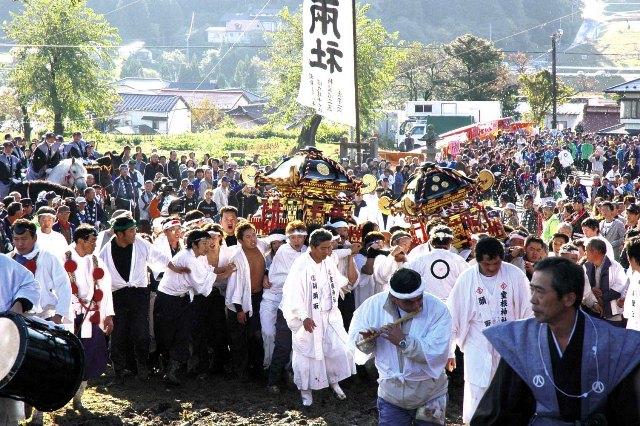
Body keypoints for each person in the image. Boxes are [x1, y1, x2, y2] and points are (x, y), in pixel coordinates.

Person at [472, 257, 640, 425]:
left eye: (540, 291)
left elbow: (628, 412)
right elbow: (499, 413)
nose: (533, 300)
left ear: (568, 298)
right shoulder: (520, 340)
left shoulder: (613, 343)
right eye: (532, 290)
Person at [446, 237, 533, 423]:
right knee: (478, 386)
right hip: (477, 340)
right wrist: (449, 350)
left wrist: (528, 345)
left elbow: (528, 311)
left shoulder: (515, 275)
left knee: (509, 388)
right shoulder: (467, 279)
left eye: (496, 263)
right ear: (478, 260)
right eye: (487, 264)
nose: (492, 268)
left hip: (509, 341)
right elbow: (452, 315)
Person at [349, 268, 451, 426]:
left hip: (430, 394)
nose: (417, 305)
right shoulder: (372, 306)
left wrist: (403, 341)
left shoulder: (439, 309)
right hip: (391, 395)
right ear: (393, 297)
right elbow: (357, 343)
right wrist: (368, 341)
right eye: (409, 302)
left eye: (419, 298)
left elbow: (436, 352)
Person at [281, 228, 356, 406]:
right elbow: (292, 294)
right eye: (324, 248)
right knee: (306, 355)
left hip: (329, 315)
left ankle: (334, 381)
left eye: (329, 247)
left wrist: (345, 284)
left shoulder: (328, 261)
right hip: (309, 318)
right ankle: (306, 393)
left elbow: (337, 280)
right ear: (312, 247)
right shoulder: (301, 265)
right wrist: (303, 316)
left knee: (336, 349)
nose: (328, 252)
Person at [154, 229, 217, 385]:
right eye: (204, 244)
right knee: (167, 334)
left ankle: (173, 370)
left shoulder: (198, 257)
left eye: (208, 244)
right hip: (167, 299)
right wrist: (226, 272)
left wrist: (221, 272)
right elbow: (201, 285)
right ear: (193, 244)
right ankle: (166, 367)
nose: (207, 247)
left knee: (184, 332)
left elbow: (208, 274)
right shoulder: (188, 258)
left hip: (183, 299)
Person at [99, 215, 152, 382]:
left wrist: (174, 266)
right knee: (119, 332)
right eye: (131, 230)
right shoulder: (105, 252)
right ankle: (120, 367)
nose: (135, 233)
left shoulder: (140, 243)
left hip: (139, 293)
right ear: (120, 234)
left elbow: (157, 257)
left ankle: (142, 364)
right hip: (117, 295)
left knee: (141, 331)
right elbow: (101, 278)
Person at [67, 224, 115, 410]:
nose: (96, 244)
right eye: (93, 241)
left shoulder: (95, 260)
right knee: (66, 357)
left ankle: (78, 398)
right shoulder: (63, 257)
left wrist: (108, 315)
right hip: (69, 315)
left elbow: (105, 288)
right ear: (81, 241)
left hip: (90, 315)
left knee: (89, 355)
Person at [261, 221, 307, 380]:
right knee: (271, 334)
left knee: (296, 340)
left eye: (300, 237)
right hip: (274, 297)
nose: (296, 241)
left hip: (296, 301)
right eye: (292, 237)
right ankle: (269, 368)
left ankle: (289, 371)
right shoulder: (284, 251)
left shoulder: (306, 251)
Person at [0, 252, 40, 426]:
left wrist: (19, 304)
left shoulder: (4, 263)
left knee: (4, 406)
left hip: (2, 342)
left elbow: (30, 284)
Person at [225, 222, 267, 380]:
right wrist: (239, 309)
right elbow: (234, 286)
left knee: (256, 335)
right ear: (240, 240)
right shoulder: (237, 257)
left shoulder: (262, 247)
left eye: (254, 235)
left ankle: (257, 368)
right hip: (240, 301)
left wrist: (266, 274)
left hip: (257, 298)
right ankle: (241, 370)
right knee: (239, 339)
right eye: (248, 237)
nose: (253, 239)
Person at [10, 219, 71, 325]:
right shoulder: (9, 259)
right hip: (14, 321)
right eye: (16, 239)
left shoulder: (49, 257)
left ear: (35, 238)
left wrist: (59, 315)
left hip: (44, 318)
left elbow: (64, 286)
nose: (20, 243)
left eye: (24, 239)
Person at [404, 224, 469, 302]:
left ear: (431, 242)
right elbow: (469, 281)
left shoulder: (420, 260)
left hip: (428, 305)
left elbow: (405, 276)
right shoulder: (458, 261)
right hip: (453, 305)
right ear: (450, 243)